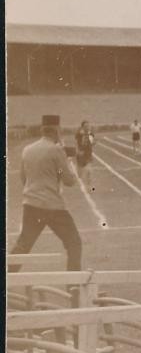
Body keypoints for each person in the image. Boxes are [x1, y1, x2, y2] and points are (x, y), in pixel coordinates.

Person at [9, 115, 82, 274]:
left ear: (42, 129)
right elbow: (68, 180)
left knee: (23, 245)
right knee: (74, 243)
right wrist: (70, 164)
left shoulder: (27, 150)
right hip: (52, 207)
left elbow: (23, 178)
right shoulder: (56, 150)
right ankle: (73, 285)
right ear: (56, 130)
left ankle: (7, 278)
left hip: (31, 205)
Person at [74, 120, 95, 191]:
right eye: (86, 126)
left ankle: (89, 187)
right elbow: (76, 143)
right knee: (79, 174)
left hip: (88, 155)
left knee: (89, 171)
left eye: (88, 126)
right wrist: (78, 151)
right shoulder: (79, 134)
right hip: (80, 155)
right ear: (82, 127)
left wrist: (92, 143)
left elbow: (92, 143)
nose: (87, 127)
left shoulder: (91, 134)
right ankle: (80, 182)